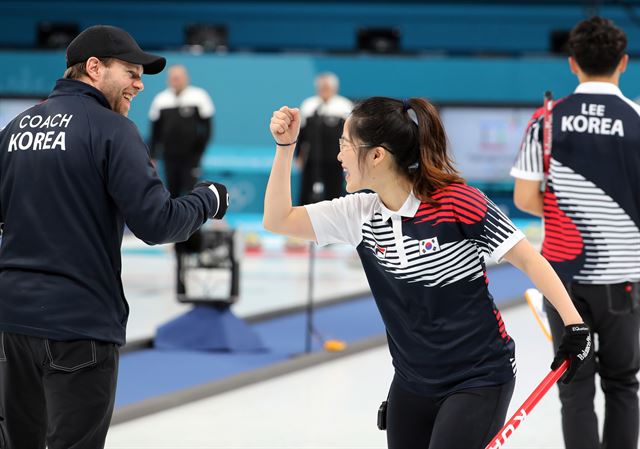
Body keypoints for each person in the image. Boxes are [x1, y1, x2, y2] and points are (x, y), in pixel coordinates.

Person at [264, 97, 591, 449]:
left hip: (478, 377)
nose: (339, 156)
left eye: (345, 145)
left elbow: (529, 259)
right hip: (412, 381)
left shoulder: (458, 203)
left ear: (377, 155)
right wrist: (285, 148)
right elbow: (278, 219)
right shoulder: (358, 214)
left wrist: (574, 326)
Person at [0, 25, 229, 449]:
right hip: (79, 326)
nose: (140, 85)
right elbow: (157, 223)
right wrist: (207, 200)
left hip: (10, 324)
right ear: (93, 68)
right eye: (131, 72)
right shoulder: (112, 130)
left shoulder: (15, 131)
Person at [511, 16, 640, 449]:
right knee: (623, 383)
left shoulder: (547, 119)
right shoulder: (638, 118)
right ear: (623, 63)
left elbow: (526, 199)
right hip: (625, 278)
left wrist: (567, 211)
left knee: (574, 386)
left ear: (572, 64)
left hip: (563, 277)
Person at [148, 64, 215, 297]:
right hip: (170, 159)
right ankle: (178, 242)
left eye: (178, 77)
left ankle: (194, 243)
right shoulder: (160, 101)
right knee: (174, 197)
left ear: (185, 78)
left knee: (192, 196)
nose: (175, 81)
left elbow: (206, 129)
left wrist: (198, 153)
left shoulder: (199, 97)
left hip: (190, 159)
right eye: (171, 78)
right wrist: (153, 155)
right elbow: (154, 132)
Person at [296, 72, 353, 204]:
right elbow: (302, 133)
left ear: (334, 88)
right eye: (321, 88)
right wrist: (299, 155)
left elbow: (350, 136)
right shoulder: (308, 105)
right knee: (306, 191)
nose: (324, 91)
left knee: (334, 192)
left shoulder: (344, 106)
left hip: (335, 158)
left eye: (327, 88)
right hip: (312, 158)